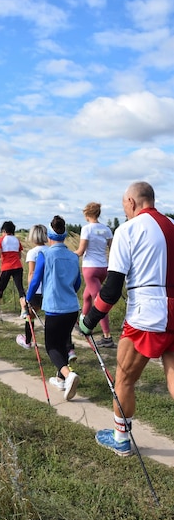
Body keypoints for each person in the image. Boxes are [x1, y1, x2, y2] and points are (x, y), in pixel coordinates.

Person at [79, 181, 174, 456]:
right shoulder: (171, 225)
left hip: (146, 314)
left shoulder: (128, 230)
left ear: (131, 202)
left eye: (124, 207)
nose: (125, 212)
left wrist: (90, 320)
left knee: (124, 378)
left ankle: (121, 439)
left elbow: (110, 290)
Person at [26, 216, 81, 401]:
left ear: (49, 236)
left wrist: (28, 298)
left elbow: (35, 280)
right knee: (64, 340)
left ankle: (68, 373)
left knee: (51, 346)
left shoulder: (45, 255)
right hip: (72, 307)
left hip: (55, 308)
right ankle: (61, 378)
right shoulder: (73, 256)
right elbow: (77, 283)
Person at [75, 202, 115, 348]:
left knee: (99, 302)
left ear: (87, 214)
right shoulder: (106, 229)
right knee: (87, 296)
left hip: (90, 269)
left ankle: (107, 336)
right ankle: (83, 325)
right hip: (103, 268)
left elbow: (80, 251)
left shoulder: (86, 229)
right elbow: (113, 249)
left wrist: (67, 255)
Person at [16, 224, 48, 349]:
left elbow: (32, 273)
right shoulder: (50, 250)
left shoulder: (32, 253)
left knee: (30, 316)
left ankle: (28, 340)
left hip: (37, 290)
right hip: (49, 289)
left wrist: (29, 291)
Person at [0, 220, 28, 318]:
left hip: (6, 267)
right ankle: (24, 310)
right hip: (18, 267)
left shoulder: (1, 240)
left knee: (1, 287)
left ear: (4, 230)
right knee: (20, 288)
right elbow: (19, 256)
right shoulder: (17, 240)